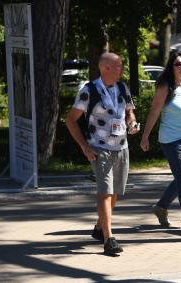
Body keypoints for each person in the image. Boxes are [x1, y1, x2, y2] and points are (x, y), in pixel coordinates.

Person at [66, 52, 140, 256]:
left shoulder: (122, 88)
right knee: (105, 192)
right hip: (99, 148)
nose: (121, 69)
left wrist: (132, 122)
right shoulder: (89, 90)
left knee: (115, 192)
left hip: (121, 147)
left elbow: (129, 111)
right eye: (118, 66)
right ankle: (109, 239)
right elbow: (70, 120)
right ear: (105, 68)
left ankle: (100, 228)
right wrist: (84, 146)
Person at [140, 52, 181, 233]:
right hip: (172, 139)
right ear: (171, 67)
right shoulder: (166, 87)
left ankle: (161, 207)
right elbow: (154, 112)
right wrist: (145, 136)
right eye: (178, 64)